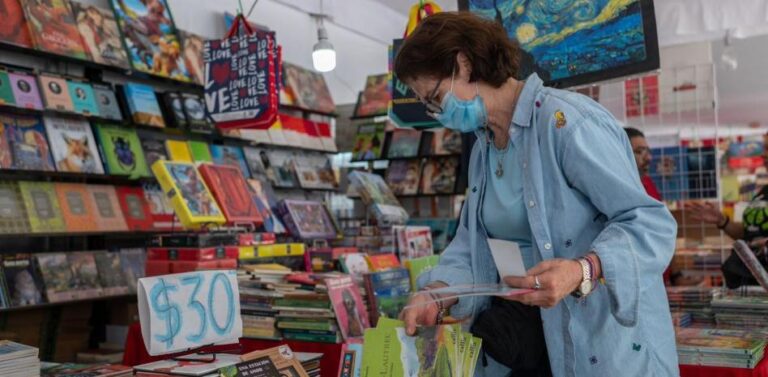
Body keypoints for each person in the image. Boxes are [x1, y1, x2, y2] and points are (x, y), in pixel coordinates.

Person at [395, 12, 678, 377]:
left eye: (436, 97)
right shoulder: (484, 148)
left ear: (463, 64)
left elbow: (650, 223)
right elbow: (471, 245)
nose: (439, 114)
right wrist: (436, 293)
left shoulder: (567, 124)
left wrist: (582, 270)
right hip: (530, 343)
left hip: (599, 345)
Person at [688, 133, 768, 287]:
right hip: (748, 280)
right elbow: (748, 233)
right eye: (764, 148)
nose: (764, 154)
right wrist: (722, 221)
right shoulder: (763, 192)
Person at [625, 127, 662, 201]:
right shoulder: (620, 188)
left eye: (648, 151)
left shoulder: (647, 181)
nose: (649, 158)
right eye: (639, 152)